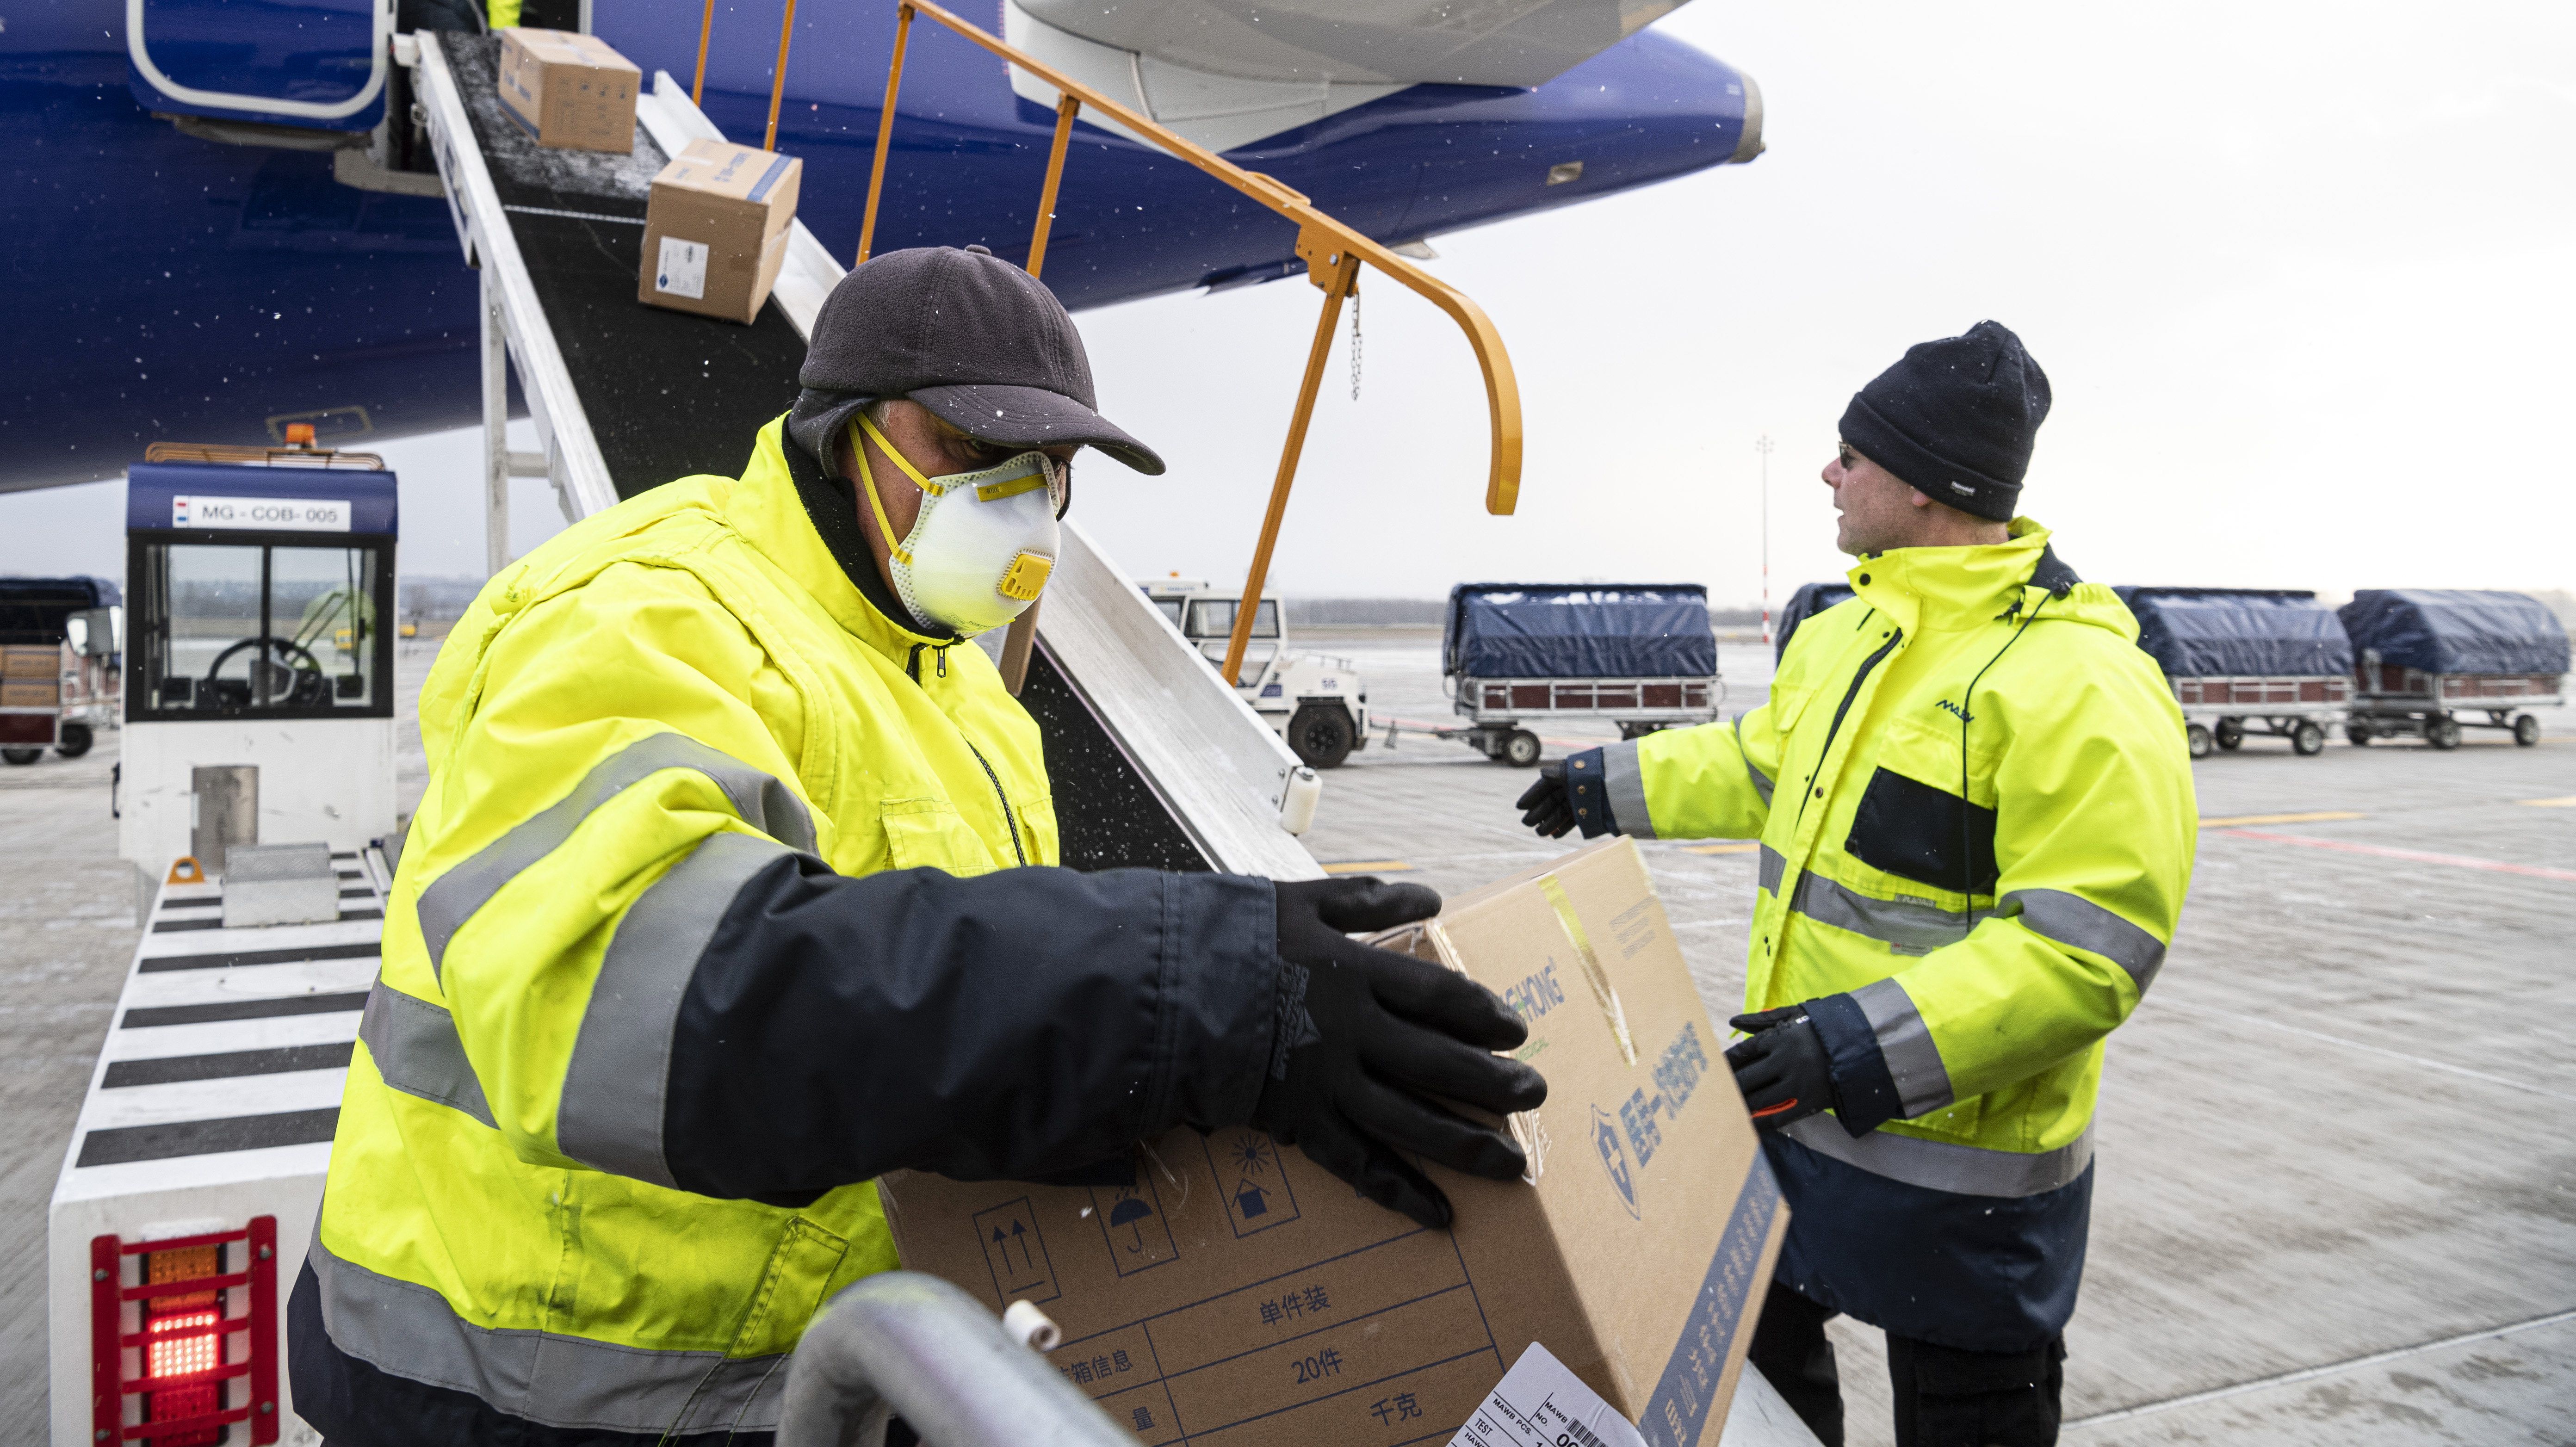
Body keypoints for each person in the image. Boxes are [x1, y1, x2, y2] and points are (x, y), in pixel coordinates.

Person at [291, 245, 1546, 1446]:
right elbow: (647, 1005)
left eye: (1048, 464)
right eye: (970, 448)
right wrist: (1171, 990)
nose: (1020, 501)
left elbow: (960, 1005)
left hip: (815, 1376)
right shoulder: (643, 614)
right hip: (539, 1395)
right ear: (847, 431)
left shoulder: (968, 696)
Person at [1514, 322, 2194, 1447]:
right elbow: (1763, 764)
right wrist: (1607, 783)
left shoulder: (2082, 682)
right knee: (1767, 1397)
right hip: (1798, 1131)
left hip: (1962, 1180)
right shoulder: (1850, 635)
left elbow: (2088, 952)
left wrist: (1853, 1047)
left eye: (1853, 455)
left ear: (1926, 487)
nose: (1832, 473)